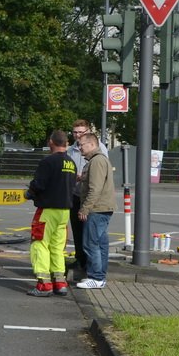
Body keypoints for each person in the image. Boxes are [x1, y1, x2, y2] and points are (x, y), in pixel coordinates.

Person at [25, 130, 77, 297]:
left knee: (39, 244)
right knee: (56, 247)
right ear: (66, 144)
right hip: (64, 212)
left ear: (51, 142)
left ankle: (43, 284)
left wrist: (29, 192)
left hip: (47, 210)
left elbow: (39, 184)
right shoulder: (71, 163)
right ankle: (59, 282)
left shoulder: (48, 162)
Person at [67, 119, 107, 280]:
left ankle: (95, 271)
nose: (78, 136)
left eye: (81, 132)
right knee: (77, 231)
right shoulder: (71, 150)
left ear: (88, 132)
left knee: (92, 236)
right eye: (75, 132)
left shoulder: (99, 150)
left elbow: (98, 176)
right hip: (76, 194)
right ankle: (80, 261)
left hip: (90, 198)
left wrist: (82, 178)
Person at [76, 132, 115, 289]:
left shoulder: (97, 161)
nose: (79, 148)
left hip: (97, 209)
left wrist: (84, 208)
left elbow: (95, 188)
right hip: (102, 208)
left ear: (92, 144)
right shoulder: (96, 160)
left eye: (82, 145)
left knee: (91, 244)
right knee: (100, 243)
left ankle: (96, 277)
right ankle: (100, 277)